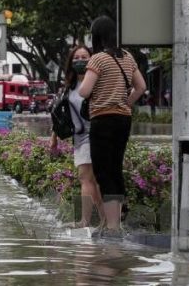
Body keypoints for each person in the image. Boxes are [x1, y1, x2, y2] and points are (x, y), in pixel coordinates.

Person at [77, 16, 147, 233]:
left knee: (103, 172)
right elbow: (141, 87)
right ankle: (115, 222)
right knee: (115, 169)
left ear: (96, 36)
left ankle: (113, 226)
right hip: (123, 120)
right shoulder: (127, 57)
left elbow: (84, 91)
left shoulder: (97, 59)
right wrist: (125, 103)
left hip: (102, 120)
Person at [50, 45, 102, 227]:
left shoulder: (96, 82)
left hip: (94, 135)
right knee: (92, 181)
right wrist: (54, 140)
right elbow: (60, 116)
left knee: (85, 178)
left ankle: (85, 221)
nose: (80, 60)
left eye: (84, 57)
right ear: (71, 62)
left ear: (92, 59)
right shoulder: (69, 87)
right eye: (76, 57)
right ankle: (104, 221)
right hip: (79, 139)